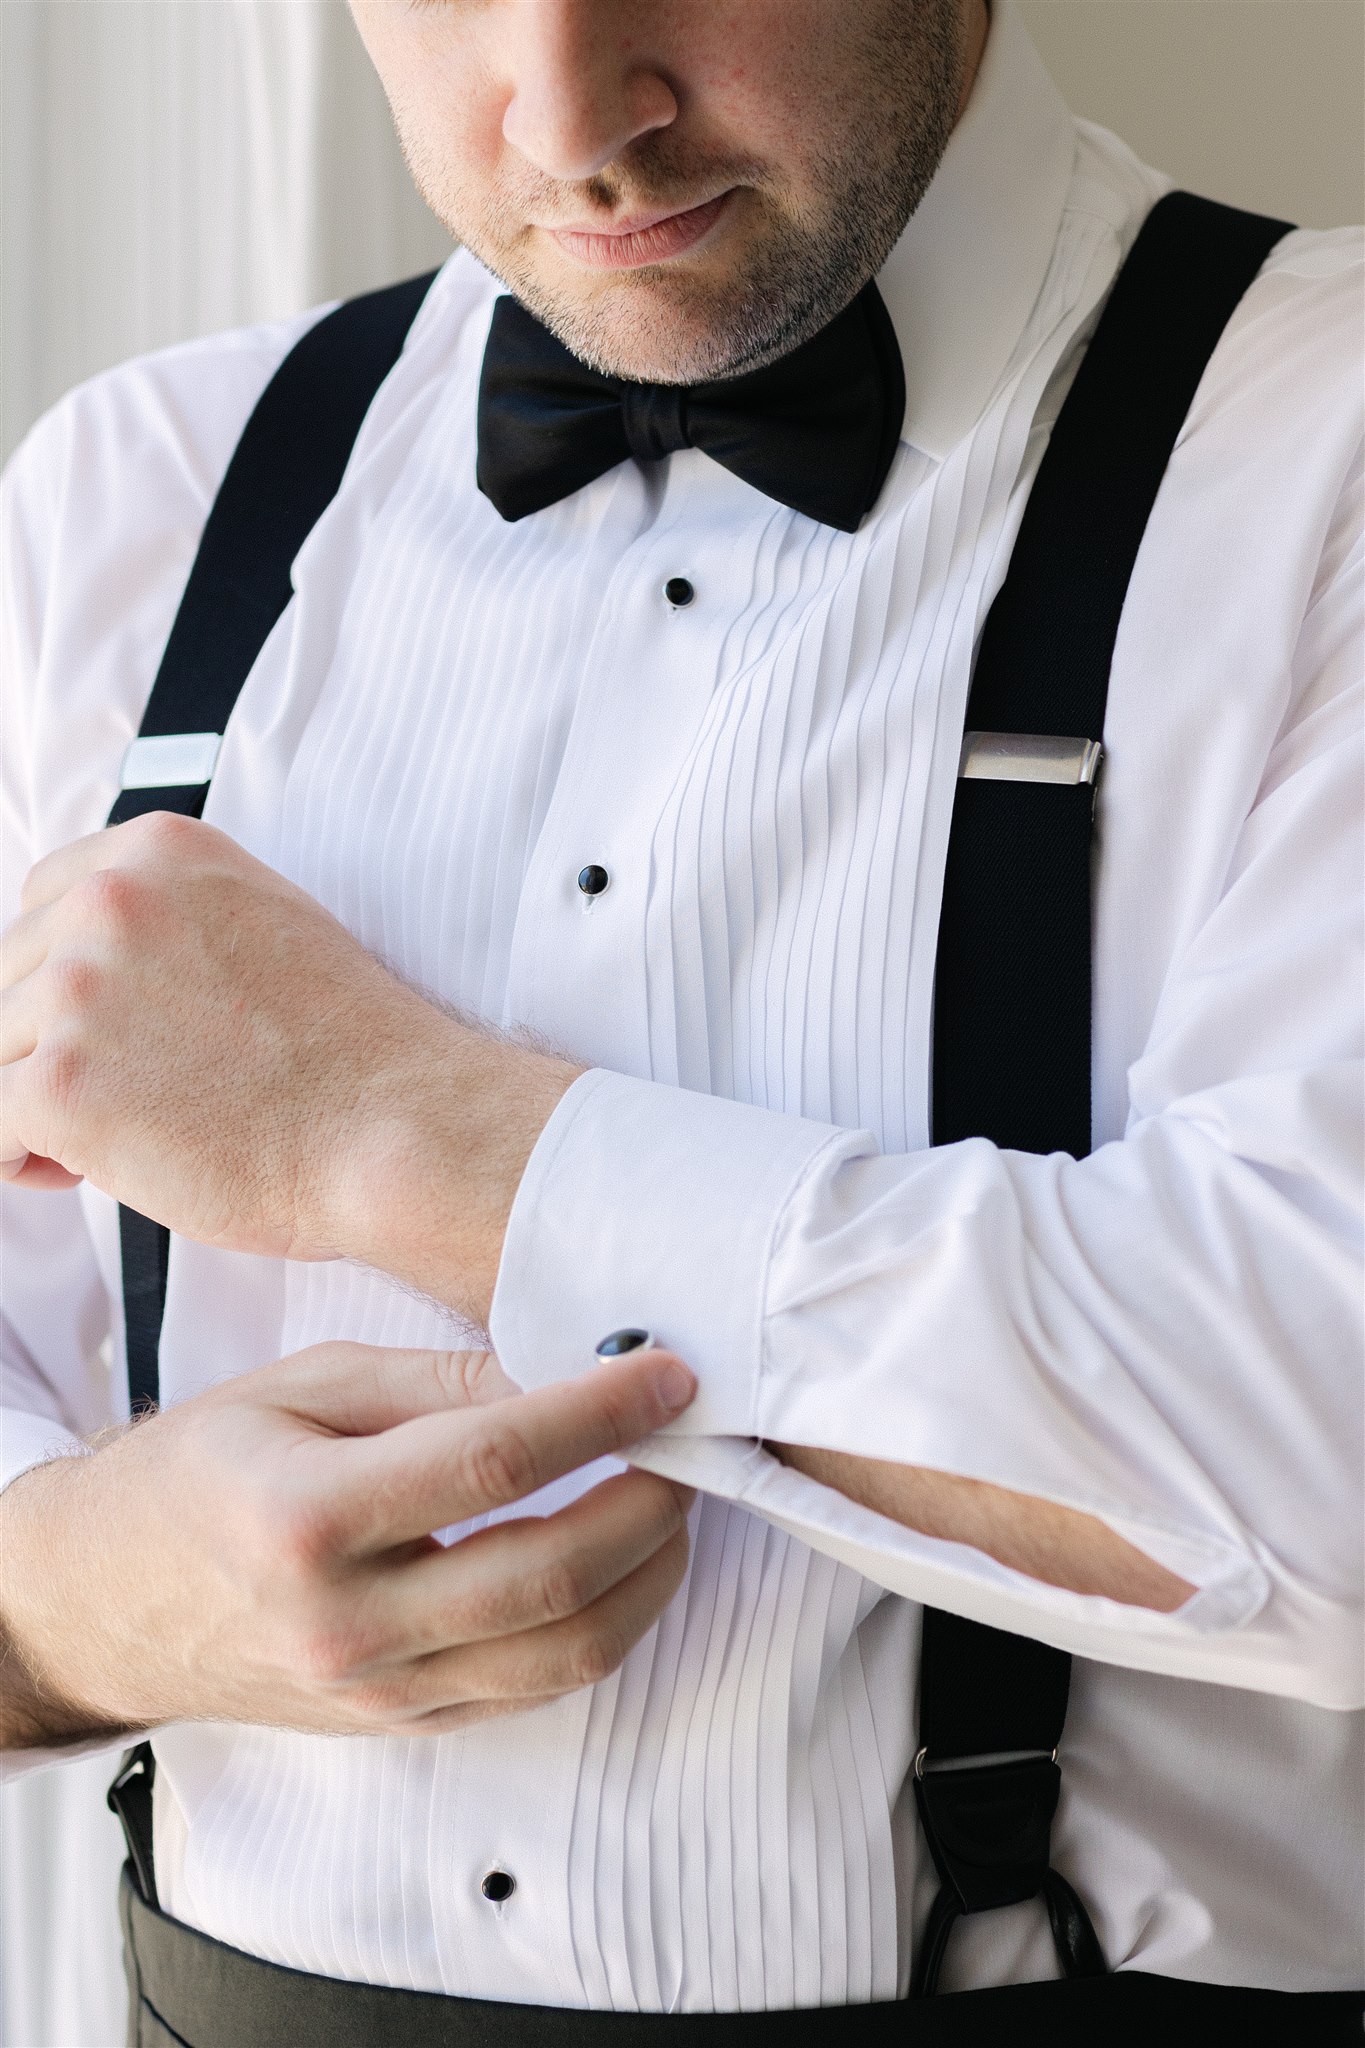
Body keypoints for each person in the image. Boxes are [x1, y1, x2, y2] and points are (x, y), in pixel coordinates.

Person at [0, 0, 1360, 2038]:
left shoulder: (1330, 445)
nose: (570, 119)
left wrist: (402, 1134)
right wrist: (68, 1604)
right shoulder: (136, 485)